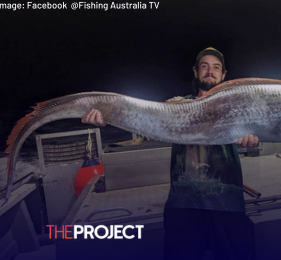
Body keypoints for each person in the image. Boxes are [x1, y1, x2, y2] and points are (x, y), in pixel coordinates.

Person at [81, 47, 258, 260]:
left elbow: (260, 131)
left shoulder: (239, 107)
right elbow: (141, 118)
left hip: (227, 204)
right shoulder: (177, 105)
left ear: (224, 75)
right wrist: (105, 117)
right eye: (204, 66)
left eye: (216, 67)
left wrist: (252, 139)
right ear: (195, 72)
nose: (210, 71)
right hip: (183, 205)